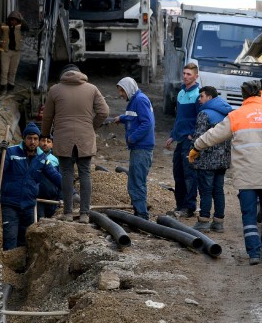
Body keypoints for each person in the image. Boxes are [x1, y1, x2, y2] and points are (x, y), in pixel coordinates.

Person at [189, 80, 262, 266]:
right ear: (260, 95)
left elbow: (214, 134)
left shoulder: (236, 116)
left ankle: (254, 253)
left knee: (248, 214)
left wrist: (197, 147)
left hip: (246, 175)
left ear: (244, 95)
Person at [41, 64, 109, 224]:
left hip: (63, 138)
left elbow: (47, 116)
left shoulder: (55, 90)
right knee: (85, 173)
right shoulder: (92, 89)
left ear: (64, 75)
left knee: (66, 174)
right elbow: (104, 111)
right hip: (85, 139)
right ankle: (85, 214)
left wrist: (44, 133)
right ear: (80, 74)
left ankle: (68, 213)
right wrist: (91, 126)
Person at [0, 122, 63, 251]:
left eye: (35, 139)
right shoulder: (11, 152)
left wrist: (71, 192)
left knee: (25, 242)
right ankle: (8, 268)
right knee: (10, 239)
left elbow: (55, 177)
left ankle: (20, 269)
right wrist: (0, 153)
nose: (32, 142)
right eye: (29, 138)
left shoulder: (42, 158)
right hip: (10, 204)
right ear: (24, 139)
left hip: (28, 206)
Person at [190, 86, 231, 232]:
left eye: (201, 96)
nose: (199, 100)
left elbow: (200, 138)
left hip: (207, 161)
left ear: (209, 97)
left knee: (206, 191)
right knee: (218, 190)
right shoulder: (227, 113)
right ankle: (218, 222)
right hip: (223, 160)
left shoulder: (204, 114)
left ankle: (203, 221)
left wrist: (192, 141)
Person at [113, 77, 155, 220]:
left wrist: (133, 138)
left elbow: (147, 123)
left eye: (122, 91)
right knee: (136, 181)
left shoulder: (140, 100)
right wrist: (122, 118)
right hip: (139, 147)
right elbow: (134, 117)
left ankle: (142, 217)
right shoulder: (135, 101)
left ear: (129, 88)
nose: (121, 94)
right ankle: (139, 213)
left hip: (141, 147)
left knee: (136, 183)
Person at [164, 63, 201, 218]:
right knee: (178, 173)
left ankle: (189, 207)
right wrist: (173, 135)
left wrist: (194, 135)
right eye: (184, 73)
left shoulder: (198, 94)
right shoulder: (180, 93)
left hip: (189, 140)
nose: (185, 76)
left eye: (189, 74)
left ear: (196, 76)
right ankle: (180, 205)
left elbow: (200, 118)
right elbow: (179, 118)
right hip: (180, 139)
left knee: (189, 174)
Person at [0, 11, 28, 96]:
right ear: (9, 19)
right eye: (12, 20)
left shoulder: (20, 27)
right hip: (5, 51)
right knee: (4, 70)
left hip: (16, 52)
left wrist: (21, 18)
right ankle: (3, 89)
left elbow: (27, 28)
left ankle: (10, 89)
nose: (13, 22)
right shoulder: (4, 25)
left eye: (15, 20)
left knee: (13, 71)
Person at [36, 134, 61, 219]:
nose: (45, 143)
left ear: (52, 145)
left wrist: (61, 197)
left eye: (48, 141)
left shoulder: (55, 160)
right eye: (43, 140)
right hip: (37, 199)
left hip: (52, 200)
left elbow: (60, 179)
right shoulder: (33, 156)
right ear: (38, 142)